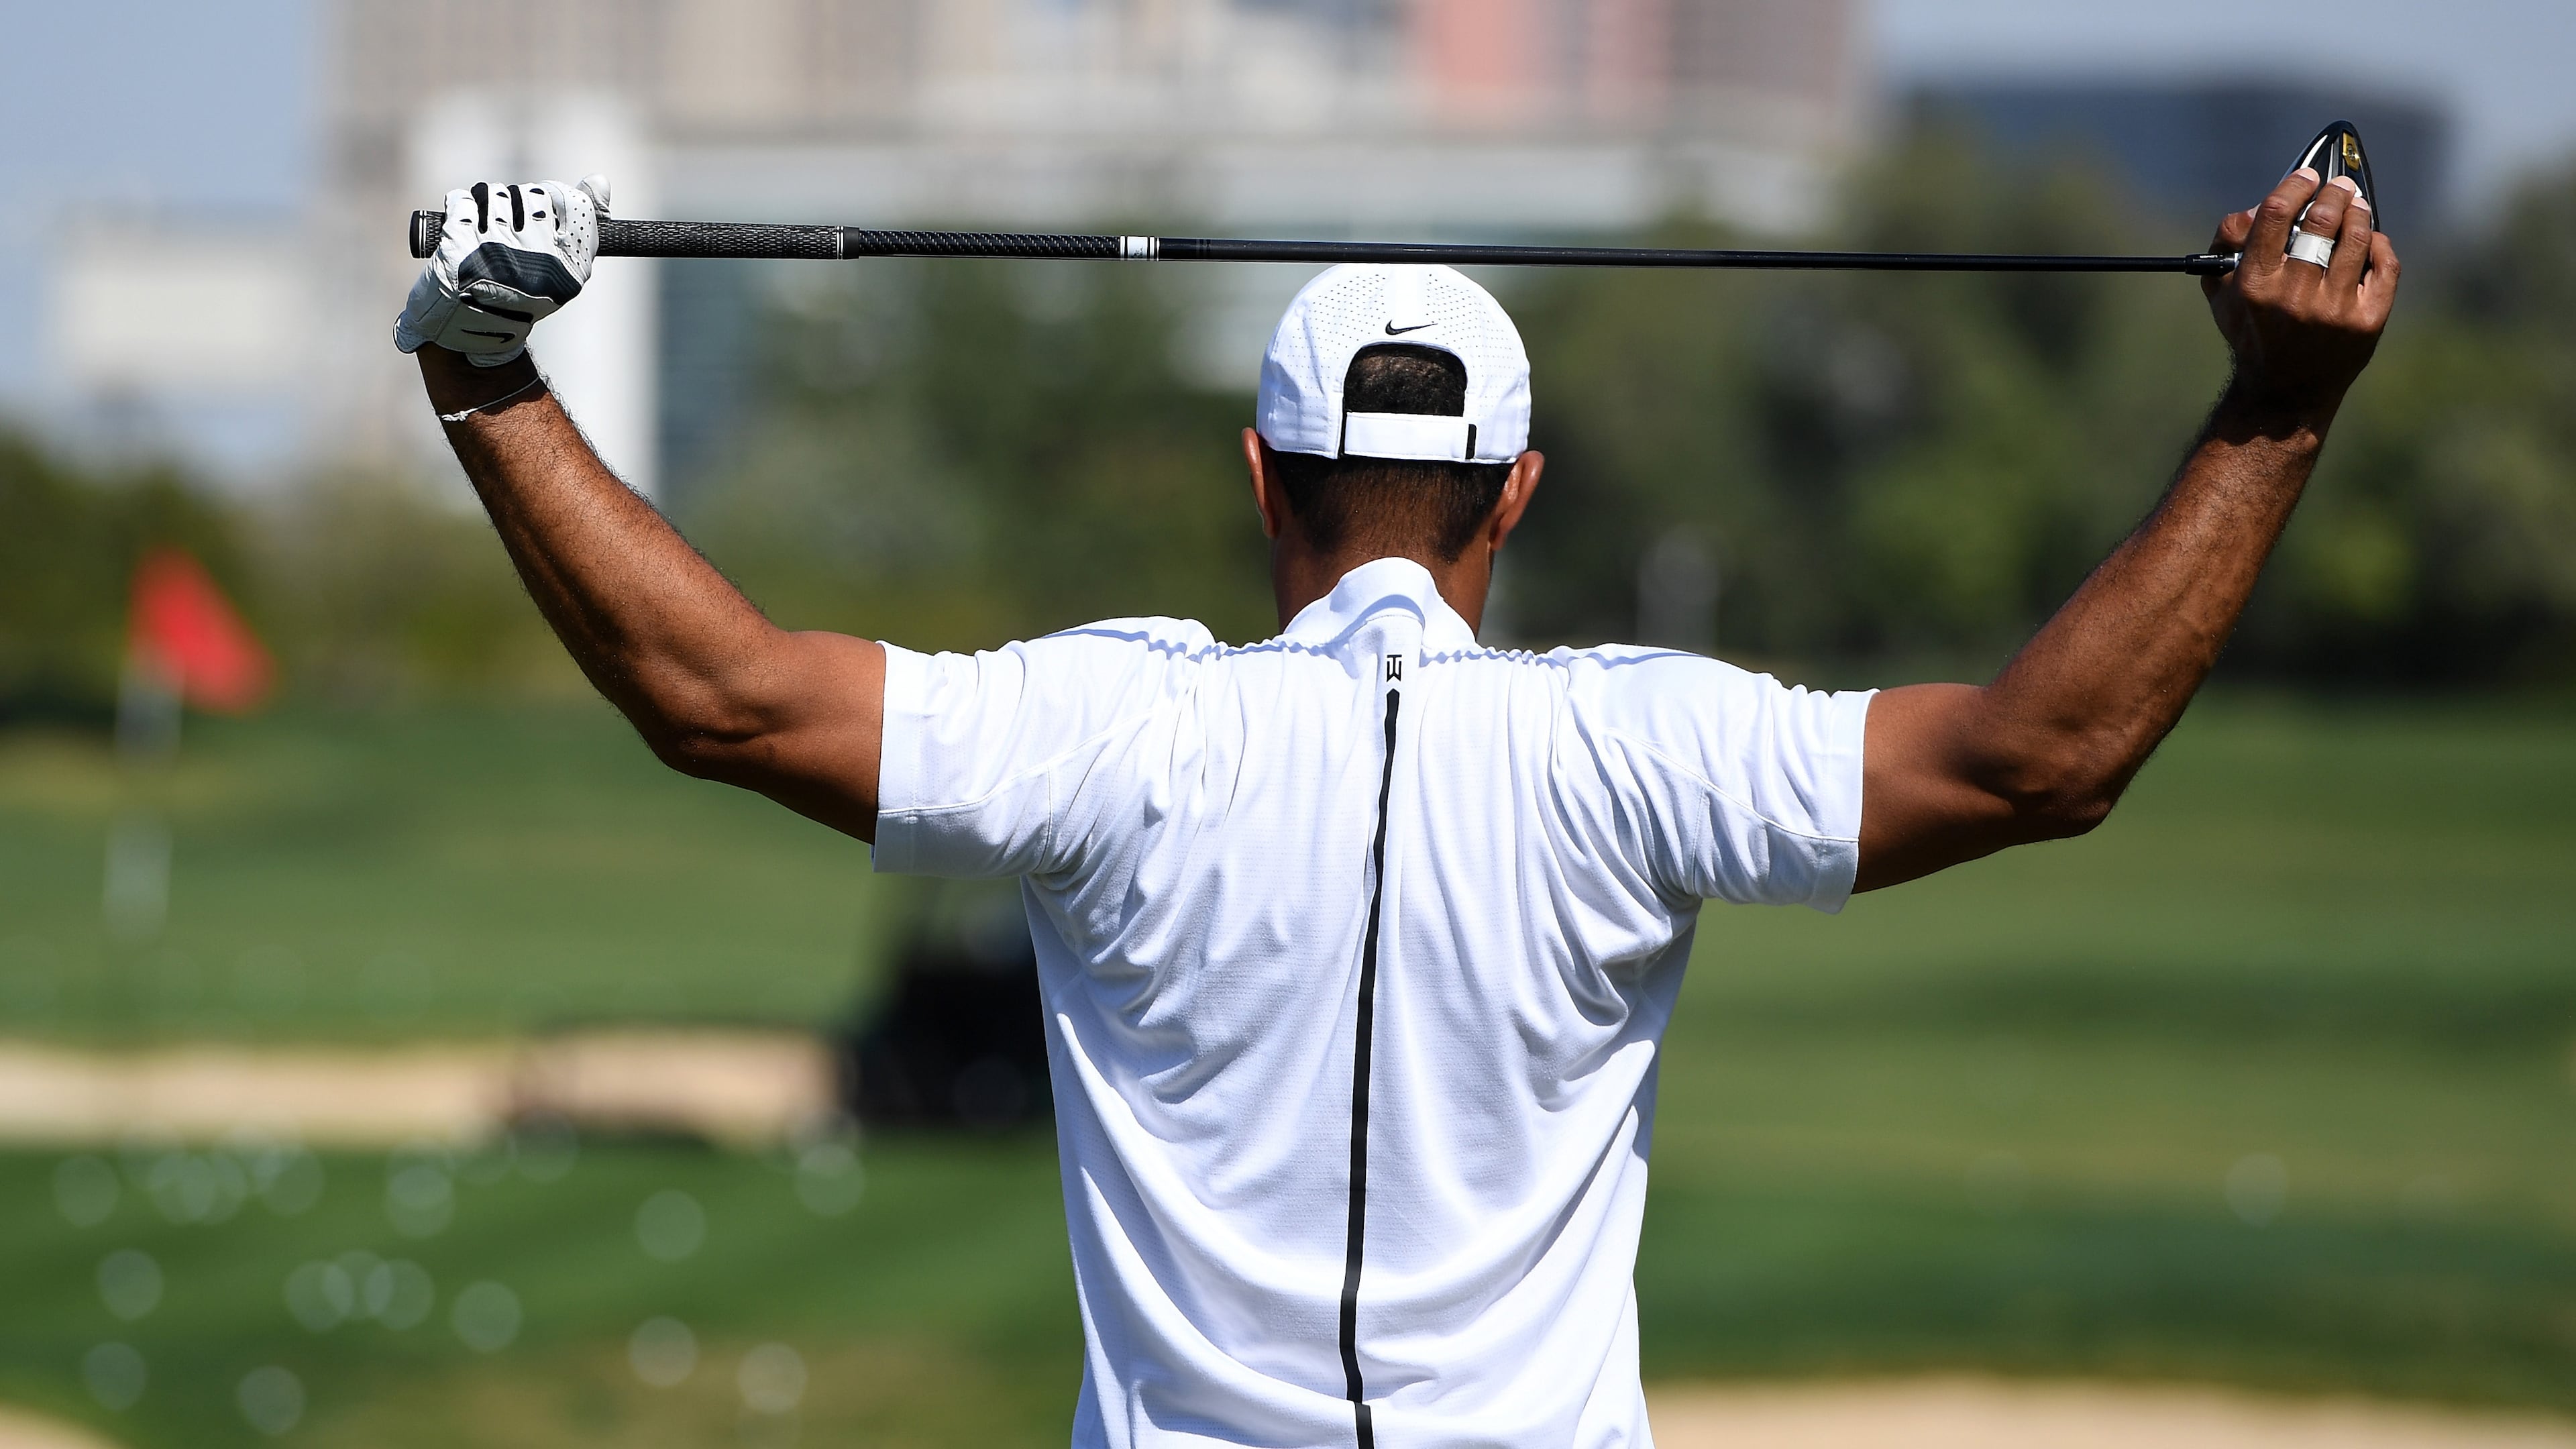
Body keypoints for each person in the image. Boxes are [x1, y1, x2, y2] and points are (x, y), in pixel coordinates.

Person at [398, 167, 2397, 1447]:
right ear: (1518, 495)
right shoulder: (1631, 745)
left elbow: (720, 696)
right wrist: (2276, 407)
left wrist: (489, 374)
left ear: (1260, 480)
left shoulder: (1120, 730)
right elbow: (2043, 754)